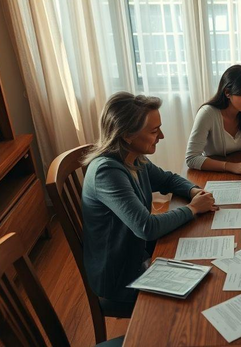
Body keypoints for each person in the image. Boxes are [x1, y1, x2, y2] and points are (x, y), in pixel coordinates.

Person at [82, 92, 218, 311]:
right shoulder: (106, 173)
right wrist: (193, 209)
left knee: (210, 269)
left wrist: (193, 191)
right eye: (154, 131)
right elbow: (146, 227)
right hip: (120, 278)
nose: (161, 136)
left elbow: (168, 179)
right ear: (127, 134)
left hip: (139, 256)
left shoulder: (133, 157)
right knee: (205, 296)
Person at [186, 65, 241, 175]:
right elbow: (192, 158)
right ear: (227, 92)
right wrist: (231, 166)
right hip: (214, 174)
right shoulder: (207, 114)